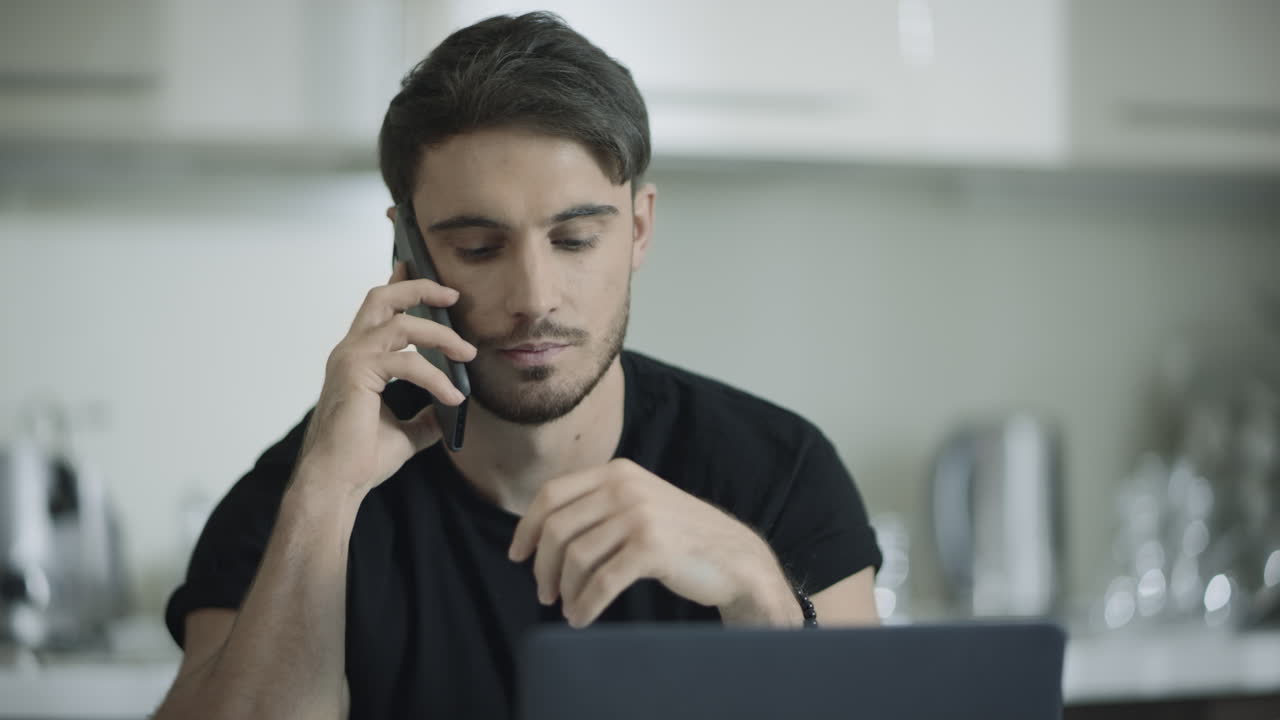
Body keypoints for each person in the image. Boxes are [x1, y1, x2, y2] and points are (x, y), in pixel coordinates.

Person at [154, 11, 881, 720]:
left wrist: (758, 591)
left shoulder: (776, 473)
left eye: (574, 240)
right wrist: (324, 501)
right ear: (408, 248)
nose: (533, 299)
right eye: (478, 247)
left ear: (638, 229)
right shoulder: (298, 495)